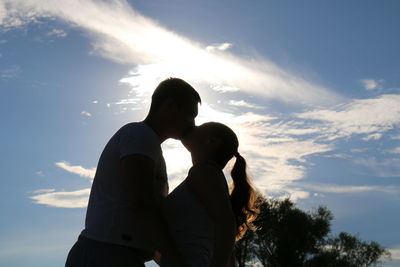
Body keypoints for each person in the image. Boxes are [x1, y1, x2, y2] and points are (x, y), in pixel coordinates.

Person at [65, 78, 201, 267]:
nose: (193, 124)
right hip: (106, 253)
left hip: (117, 253)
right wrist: (173, 256)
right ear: (170, 106)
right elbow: (141, 202)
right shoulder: (140, 135)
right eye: (190, 115)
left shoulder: (148, 143)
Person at [159, 122, 259, 267]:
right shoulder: (209, 177)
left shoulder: (204, 172)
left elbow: (226, 225)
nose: (192, 126)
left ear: (211, 142)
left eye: (198, 127)